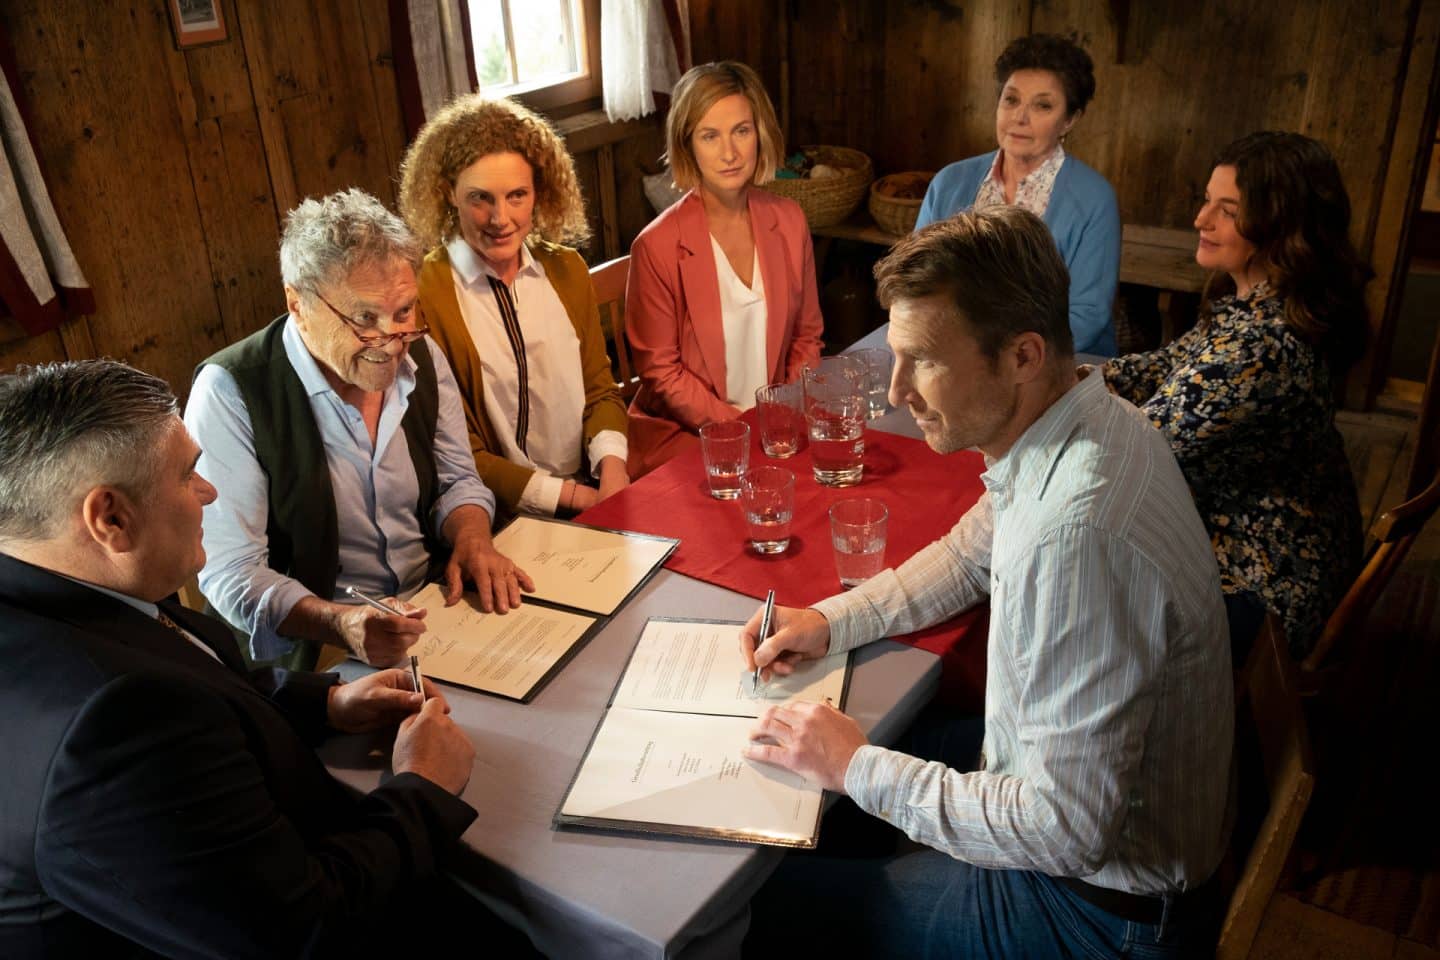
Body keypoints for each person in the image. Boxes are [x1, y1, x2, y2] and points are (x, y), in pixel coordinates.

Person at [740, 208, 1233, 957]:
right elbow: (972, 553)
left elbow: (1063, 832)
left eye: (924, 360)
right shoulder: (1090, 416)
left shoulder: (1077, 534)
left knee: (766, 902)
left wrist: (855, 765)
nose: (895, 390)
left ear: (1023, 355)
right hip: (1097, 840)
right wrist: (830, 620)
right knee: (857, 773)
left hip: (1098, 914)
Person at [0, 359, 536, 957]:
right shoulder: (113, 728)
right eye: (188, 475)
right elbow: (306, 930)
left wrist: (329, 700)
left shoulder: (49, 587)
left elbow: (193, 669)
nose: (208, 491)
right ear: (111, 519)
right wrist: (423, 786)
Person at [187, 189, 531, 671]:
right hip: (312, 654)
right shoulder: (231, 390)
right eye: (364, 319)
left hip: (435, 614)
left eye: (405, 312)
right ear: (298, 304)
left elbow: (457, 480)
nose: (392, 343)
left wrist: (473, 537)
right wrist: (341, 623)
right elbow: (231, 572)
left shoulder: (422, 355)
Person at [1103, 132, 1366, 661]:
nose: (1201, 219)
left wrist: (1036, 403)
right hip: (1254, 543)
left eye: (1228, 210)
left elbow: (1131, 452)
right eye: (1206, 200)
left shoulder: (1263, 346)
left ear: (1284, 227)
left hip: (1263, 584)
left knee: (1078, 592)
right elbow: (1159, 368)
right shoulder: (1252, 300)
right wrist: (1065, 376)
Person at [398, 94, 630, 518]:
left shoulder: (566, 268)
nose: (500, 218)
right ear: (448, 192)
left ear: (539, 192)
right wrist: (571, 498)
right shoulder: (427, 294)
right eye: (479, 198)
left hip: (595, 487)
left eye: (517, 195)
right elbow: (456, 447)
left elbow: (600, 389)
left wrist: (613, 469)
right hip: (500, 514)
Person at [625, 60, 824, 477]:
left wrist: (781, 412)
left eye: (741, 131)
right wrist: (741, 428)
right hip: (685, 441)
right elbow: (661, 373)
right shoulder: (657, 245)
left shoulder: (788, 220)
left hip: (775, 433)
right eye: (709, 136)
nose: (730, 153)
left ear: (760, 134)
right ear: (687, 145)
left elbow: (807, 337)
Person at [916, 33, 1120, 356]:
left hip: (1058, 359)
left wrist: (1003, 363)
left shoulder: (1096, 199)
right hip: (955, 354)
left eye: (1042, 105)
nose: (1019, 117)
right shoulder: (949, 182)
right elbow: (917, 282)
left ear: (1069, 120)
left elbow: (1087, 316)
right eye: (1011, 100)